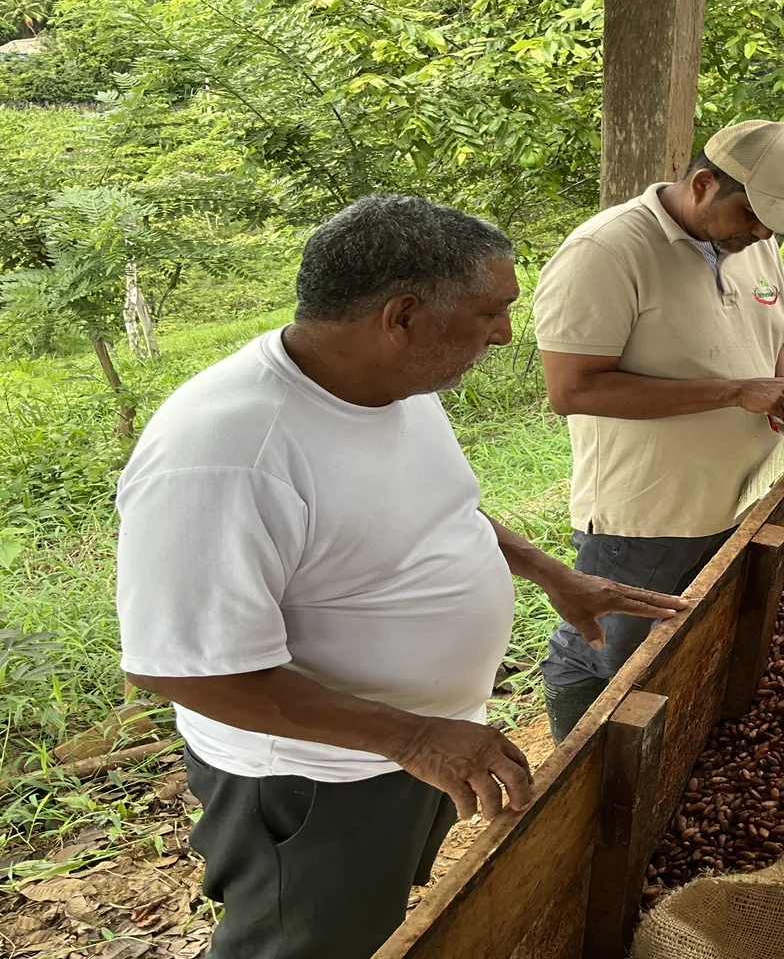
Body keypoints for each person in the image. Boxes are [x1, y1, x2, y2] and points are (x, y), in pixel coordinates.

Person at [116, 195, 690, 959]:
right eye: (491, 312)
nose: (504, 333)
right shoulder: (226, 453)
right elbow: (187, 672)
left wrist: (550, 572)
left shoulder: (395, 384)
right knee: (309, 943)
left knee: (375, 926)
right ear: (404, 315)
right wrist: (416, 738)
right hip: (316, 779)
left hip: (407, 749)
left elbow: (443, 514)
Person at [533, 120, 784, 741]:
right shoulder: (607, 252)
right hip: (647, 510)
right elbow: (573, 391)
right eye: (754, 216)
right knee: (607, 649)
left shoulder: (753, 242)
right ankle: (572, 775)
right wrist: (736, 391)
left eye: (775, 222)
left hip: (740, 493)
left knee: (683, 637)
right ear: (703, 184)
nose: (764, 233)